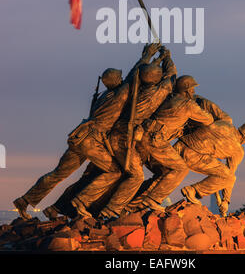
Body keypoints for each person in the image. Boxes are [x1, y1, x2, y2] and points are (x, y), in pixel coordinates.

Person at [13, 43, 160, 220]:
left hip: (79, 136)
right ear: (116, 81)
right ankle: (80, 202)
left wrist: (152, 58)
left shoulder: (103, 96)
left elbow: (130, 76)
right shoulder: (118, 95)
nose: (122, 80)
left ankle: (24, 200)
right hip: (91, 140)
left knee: (58, 173)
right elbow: (133, 75)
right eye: (119, 78)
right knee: (115, 171)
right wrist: (147, 56)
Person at [74, 47, 178, 219]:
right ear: (157, 78)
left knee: (119, 172)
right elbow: (172, 75)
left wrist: (151, 58)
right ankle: (109, 210)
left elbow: (135, 74)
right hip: (124, 138)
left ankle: (90, 203)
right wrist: (167, 57)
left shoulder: (132, 91)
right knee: (136, 176)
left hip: (114, 135)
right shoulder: (156, 93)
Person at [129, 75, 214, 212]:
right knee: (181, 168)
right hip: (155, 139)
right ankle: (152, 200)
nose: (193, 92)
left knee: (165, 171)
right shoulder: (188, 105)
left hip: (143, 135)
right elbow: (208, 119)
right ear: (186, 90)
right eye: (192, 89)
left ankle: (133, 204)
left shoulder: (168, 98)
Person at [177, 120, 245, 216]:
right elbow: (229, 175)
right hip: (192, 155)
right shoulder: (238, 150)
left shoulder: (225, 124)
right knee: (229, 178)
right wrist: (226, 200)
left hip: (180, 145)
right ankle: (193, 190)